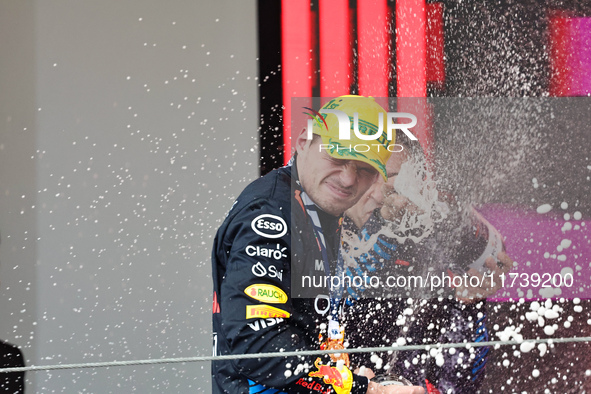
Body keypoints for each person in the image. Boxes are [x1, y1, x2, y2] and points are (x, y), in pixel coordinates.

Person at [211, 96, 425, 393]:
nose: (349, 178)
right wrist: (364, 389)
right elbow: (258, 345)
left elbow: (304, 326)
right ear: (303, 141)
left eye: (364, 168)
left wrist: (346, 375)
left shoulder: (314, 205)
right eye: (337, 157)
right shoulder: (271, 213)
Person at [341, 137, 513, 393]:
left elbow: (461, 384)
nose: (379, 191)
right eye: (369, 172)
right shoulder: (316, 236)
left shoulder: (431, 250)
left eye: (395, 178)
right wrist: (383, 233)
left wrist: (470, 307)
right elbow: (345, 290)